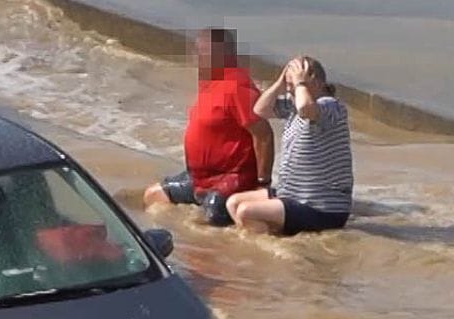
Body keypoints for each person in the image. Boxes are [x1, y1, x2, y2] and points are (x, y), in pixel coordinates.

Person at [143, 28, 274, 223]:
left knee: (208, 222)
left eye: (203, 52)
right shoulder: (212, 82)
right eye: (197, 51)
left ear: (223, 54)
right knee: (153, 196)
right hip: (200, 177)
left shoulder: (238, 87)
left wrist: (263, 183)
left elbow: (264, 135)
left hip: (231, 177)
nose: (197, 57)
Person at [227, 56, 353, 236]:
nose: (291, 89)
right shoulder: (294, 105)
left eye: (294, 84)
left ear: (315, 82)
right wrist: (280, 83)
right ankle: (270, 239)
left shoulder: (331, 107)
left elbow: (307, 109)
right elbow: (260, 110)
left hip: (321, 206)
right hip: (293, 194)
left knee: (247, 211)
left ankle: (270, 250)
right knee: (234, 203)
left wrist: (300, 83)